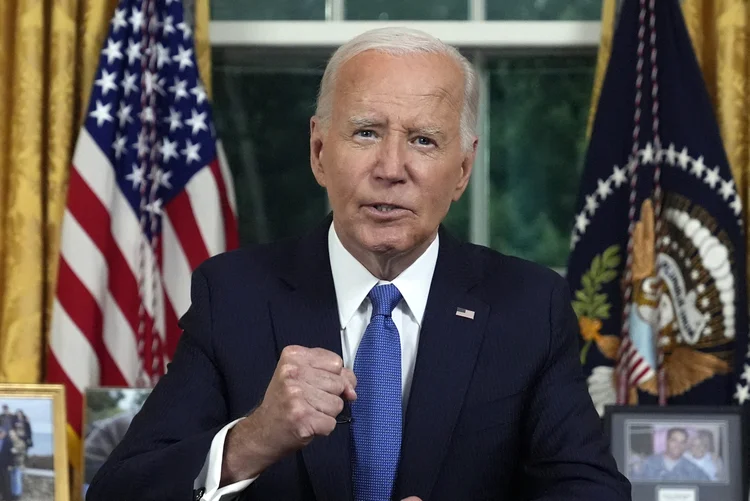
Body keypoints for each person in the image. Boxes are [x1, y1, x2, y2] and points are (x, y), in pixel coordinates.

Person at [86, 27, 631, 501]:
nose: (391, 168)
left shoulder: (528, 305)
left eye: (423, 140)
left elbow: (591, 491)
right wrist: (253, 439)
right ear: (320, 151)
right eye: (366, 132)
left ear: (462, 171)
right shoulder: (233, 296)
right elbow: (118, 490)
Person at [633, 428, 711, 482]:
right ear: (667, 441)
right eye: (674, 440)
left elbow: (709, 489)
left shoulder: (693, 470)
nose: (678, 445)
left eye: (682, 442)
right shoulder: (648, 463)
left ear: (685, 445)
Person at [8, 422, 27, 500]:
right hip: (12, 465)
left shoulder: (20, 442)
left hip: (19, 465)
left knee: (17, 482)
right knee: (12, 482)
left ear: (15, 434)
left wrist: (14, 450)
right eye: (10, 435)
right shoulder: (10, 442)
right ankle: (13, 497)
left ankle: (17, 498)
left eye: (12, 434)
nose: (11, 436)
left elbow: (16, 451)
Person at [0, 430, 13, 501]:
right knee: (1, 482)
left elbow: (11, 455)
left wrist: (11, 465)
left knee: (7, 482)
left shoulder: (8, 442)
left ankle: (7, 498)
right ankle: (2, 497)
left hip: (6, 465)